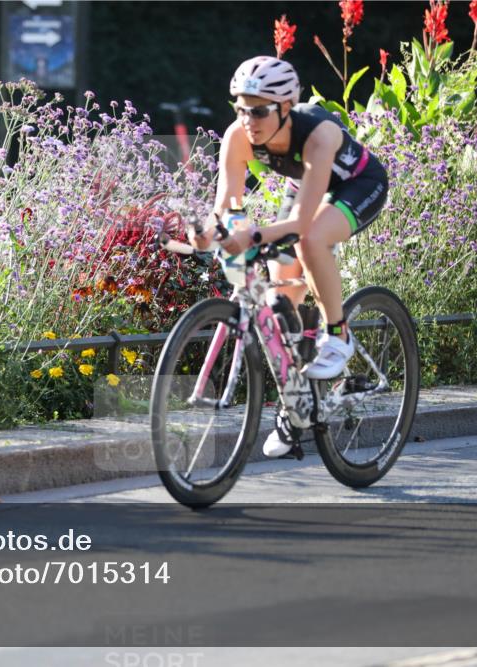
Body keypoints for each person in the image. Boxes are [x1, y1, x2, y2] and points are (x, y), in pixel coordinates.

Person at [189, 55, 389, 457]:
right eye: (242, 109)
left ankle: (339, 333)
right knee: (281, 303)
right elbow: (227, 205)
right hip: (305, 188)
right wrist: (208, 232)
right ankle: (295, 407)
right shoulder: (238, 136)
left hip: (356, 185)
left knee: (310, 241)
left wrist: (253, 235)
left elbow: (299, 224)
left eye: (259, 110)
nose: (249, 119)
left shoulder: (319, 132)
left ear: (284, 108)